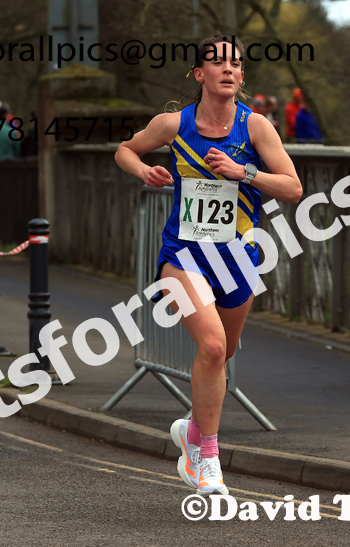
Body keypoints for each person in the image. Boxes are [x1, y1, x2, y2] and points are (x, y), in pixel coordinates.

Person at [114, 32, 302, 497]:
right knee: (214, 347)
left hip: (238, 256)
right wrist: (144, 171)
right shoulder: (173, 124)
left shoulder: (255, 127)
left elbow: (294, 187)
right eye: (218, 63)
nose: (229, 69)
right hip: (183, 255)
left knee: (226, 351)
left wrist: (246, 173)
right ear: (200, 74)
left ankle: (192, 432)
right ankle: (207, 457)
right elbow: (125, 149)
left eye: (236, 64)